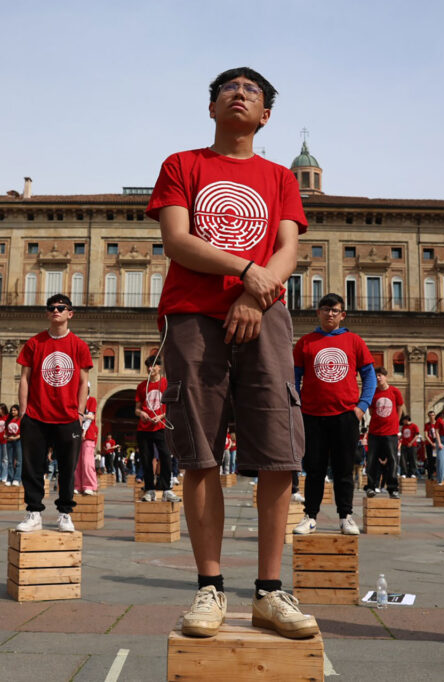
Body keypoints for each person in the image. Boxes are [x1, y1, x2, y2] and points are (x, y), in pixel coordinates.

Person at [146, 67, 318, 640]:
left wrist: (254, 293)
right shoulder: (182, 165)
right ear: (211, 107)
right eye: (228, 88)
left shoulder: (279, 177)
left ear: (265, 115)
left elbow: (289, 248)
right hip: (194, 316)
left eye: (252, 91)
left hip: (265, 313)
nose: (239, 93)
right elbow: (177, 240)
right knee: (199, 451)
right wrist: (248, 271)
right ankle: (210, 587)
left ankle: (269, 591)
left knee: (278, 450)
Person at [292, 292, 375, 536]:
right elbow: (294, 377)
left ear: (342, 314)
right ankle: (310, 516)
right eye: (326, 309)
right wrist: (297, 405)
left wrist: (361, 406)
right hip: (312, 415)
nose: (330, 314)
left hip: (345, 415)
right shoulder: (305, 342)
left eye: (335, 310)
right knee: (314, 469)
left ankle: (345, 516)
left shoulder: (354, 341)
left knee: (344, 469)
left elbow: (369, 376)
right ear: (318, 313)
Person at [15, 293, 92, 533]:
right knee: (32, 468)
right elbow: (24, 379)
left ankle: (65, 514)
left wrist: (80, 413)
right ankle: (34, 512)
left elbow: (84, 382)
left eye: (61, 307)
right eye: (51, 308)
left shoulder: (79, 345)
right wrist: (23, 412)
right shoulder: (34, 343)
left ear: (70, 313)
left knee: (67, 469)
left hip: (68, 417)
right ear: (47, 313)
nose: (56, 311)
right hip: (36, 416)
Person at [135, 356, 179, 502]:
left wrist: (161, 416)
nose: (150, 369)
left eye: (153, 366)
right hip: (144, 428)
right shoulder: (142, 386)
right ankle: (149, 490)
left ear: (159, 367)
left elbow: (172, 406)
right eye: (148, 366)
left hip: (161, 426)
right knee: (146, 460)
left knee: (165, 457)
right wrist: (141, 413)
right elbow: (137, 409)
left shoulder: (166, 383)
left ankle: (167, 489)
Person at [365, 367, 403, 498]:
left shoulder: (395, 391)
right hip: (375, 432)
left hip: (390, 433)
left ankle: (393, 489)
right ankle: (371, 487)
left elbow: (399, 408)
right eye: (376, 376)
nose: (378, 378)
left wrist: (395, 423)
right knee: (371, 461)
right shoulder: (373, 393)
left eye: (380, 375)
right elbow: (371, 411)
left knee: (392, 461)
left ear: (386, 376)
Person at [75, 394, 100, 495]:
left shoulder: (91, 400)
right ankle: (77, 486)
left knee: (87, 462)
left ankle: (89, 485)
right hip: (75, 433)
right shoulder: (75, 399)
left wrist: (84, 430)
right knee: (76, 463)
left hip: (88, 435)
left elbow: (91, 417)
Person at [6, 405, 22, 486]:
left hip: (18, 441)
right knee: (10, 461)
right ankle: (9, 478)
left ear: (18, 411)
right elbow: (6, 431)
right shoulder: (9, 420)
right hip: (9, 441)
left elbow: (23, 432)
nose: (13, 412)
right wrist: (5, 436)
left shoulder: (20, 420)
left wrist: (15, 438)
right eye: (12, 410)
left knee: (19, 461)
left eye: (15, 410)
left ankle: (17, 479)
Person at [423, 410, 438, 481]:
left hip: (437, 444)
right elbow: (426, 435)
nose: (432, 417)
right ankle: (430, 475)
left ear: (435, 416)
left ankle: (437, 473)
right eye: (430, 416)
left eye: (433, 415)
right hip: (429, 444)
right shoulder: (427, 425)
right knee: (430, 459)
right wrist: (432, 443)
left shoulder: (438, 424)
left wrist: (436, 443)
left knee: (436, 459)